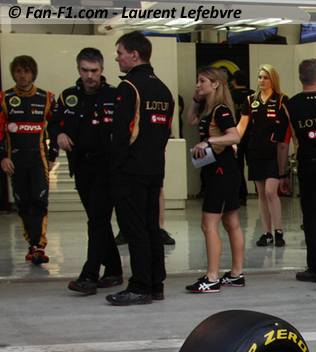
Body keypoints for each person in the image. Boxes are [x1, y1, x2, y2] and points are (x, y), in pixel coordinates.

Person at [105, 32, 174, 306]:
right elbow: (165, 132)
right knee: (152, 227)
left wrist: (115, 168)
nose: (117, 58)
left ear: (134, 55)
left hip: (131, 171)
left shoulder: (128, 87)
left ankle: (140, 286)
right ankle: (156, 284)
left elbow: (120, 134)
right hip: (155, 169)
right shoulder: (164, 90)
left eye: (120, 53)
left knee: (135, 230)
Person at [51, 48, 123, 294]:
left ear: (102, 70)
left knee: (97, 220)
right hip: (81, 166)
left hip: (107, 167)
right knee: (97, 219)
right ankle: (113, 269)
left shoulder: (114, 95)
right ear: (78, 69)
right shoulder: (68, 96)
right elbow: (53, 123)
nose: (89, 75)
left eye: (94, 70)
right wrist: (59, 134)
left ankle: (89, 275)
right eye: (85, 70)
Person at [185, 66, 244, 294]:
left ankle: (212, 278)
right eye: (197, 81)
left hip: (222, 172)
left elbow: (235, 136)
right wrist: (195, 98)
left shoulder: (221, 110)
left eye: (202, 81)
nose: (198, 85)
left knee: (208, 224)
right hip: (216, 171)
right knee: (231, 222)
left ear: (215, 84)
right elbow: (190, 119)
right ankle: (236, 274)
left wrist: (208, 141)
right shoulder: (207, 108)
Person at [0, 55, 57, 266]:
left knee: (39, 200)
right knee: (23, 203)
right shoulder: (4, 99)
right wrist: (2, 157)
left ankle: (39, 246)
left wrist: (52, 156)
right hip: (15, 161)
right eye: (18, 71)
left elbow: (56, 128)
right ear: (13, 73)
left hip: (38, 160)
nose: (22, 75)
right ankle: (32, 245)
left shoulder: (46, 98)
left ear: (33, 73)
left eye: (26, 71)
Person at [284, 59, 316, 284]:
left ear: (300, 78)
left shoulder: (291, 105)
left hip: (308, 163)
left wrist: (283, 172)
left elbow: (288, 141)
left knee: (312, 219)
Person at [238, 64, 289, 247]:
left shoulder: (282, 100)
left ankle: (279, 231)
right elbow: (242, 125)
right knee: (261, 193)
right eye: (260, 77)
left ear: (273, 79)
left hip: (274, 152)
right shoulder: (251, 100)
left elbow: (289, 128)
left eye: (265, 77)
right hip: (255, 151)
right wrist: (233, 141)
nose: (262, 80)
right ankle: (267, 232)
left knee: (270, 191)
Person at [229, 69, 252, 204]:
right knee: (255, 167)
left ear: (234, 81)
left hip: (235, 135)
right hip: (252, 135)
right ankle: (261, 193)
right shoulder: (253, 95)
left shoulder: (230, 96)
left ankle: (241, 196)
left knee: (238, 167)